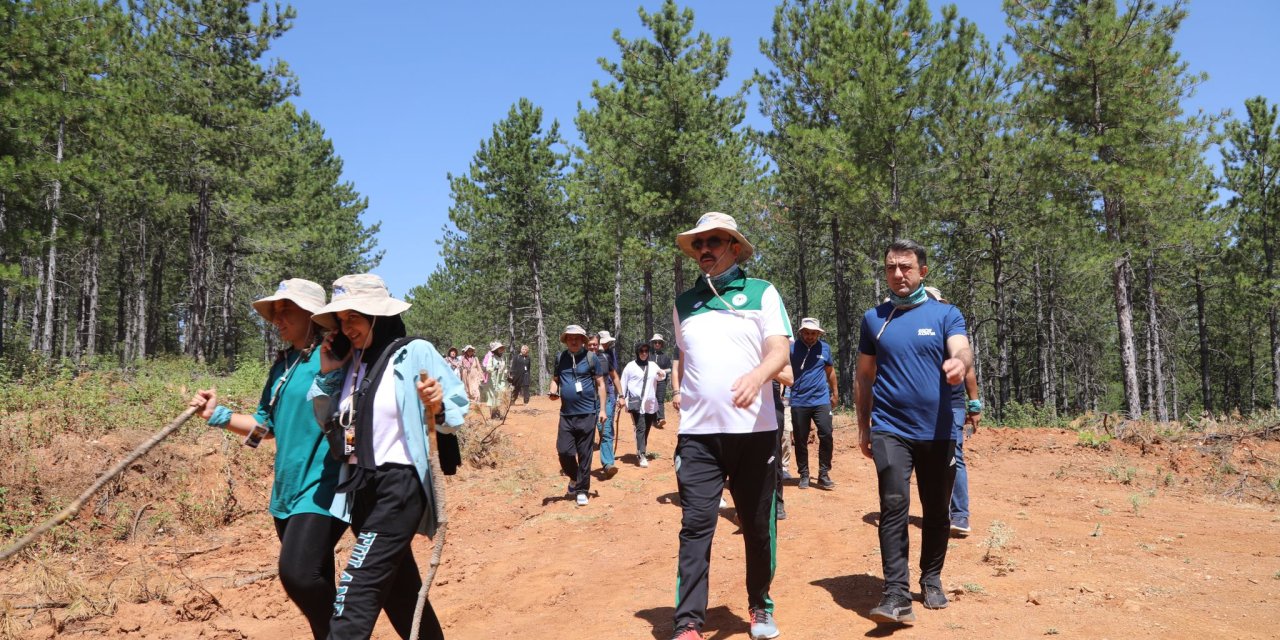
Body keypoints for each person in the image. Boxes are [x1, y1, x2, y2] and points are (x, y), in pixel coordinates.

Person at [310, 273, 469, 640]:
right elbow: (326, 422)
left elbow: (457, 409)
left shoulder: (414, 352)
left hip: (399, 486)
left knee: (356, 591)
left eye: (355, 317)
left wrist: (437, 403)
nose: (346, 328)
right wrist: (328, 374)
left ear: (377, 316)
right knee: (400, 594)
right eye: (341, 320)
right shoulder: (352, 364)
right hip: (359, 489)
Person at [189, 279, 344, 640]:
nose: (277, 318)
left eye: (285, 309)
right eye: (275, 312)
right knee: (317, 577)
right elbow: (265, 428)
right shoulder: (283, 365)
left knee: (298, 575)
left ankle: (347, 633)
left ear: (313, 314)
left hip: (323, 486)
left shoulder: (335, 353)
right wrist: (218, 415)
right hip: (286, 490)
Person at [668, 212, 791, 640]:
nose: (704, 250)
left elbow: (779, 352)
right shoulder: (684, 303)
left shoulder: (762, 293)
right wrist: (682, 395)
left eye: (713, 242)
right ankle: (687, 622)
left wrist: (757, 377)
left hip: (756, 434)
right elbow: (687, 357)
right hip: (699, 434)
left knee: (757, 526)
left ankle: (759, 607)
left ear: (734, 248)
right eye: (698, 244)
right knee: (696, 525)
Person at [856, 240, 973, 624]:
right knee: (893, 505)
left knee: (937, 510)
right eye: (891, 267)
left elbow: (962, 348)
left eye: (905, 267)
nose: (897, 274)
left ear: (923, 271)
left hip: (939, 430)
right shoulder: (874, 319)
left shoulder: (945, 314)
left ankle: (932, 577)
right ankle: (895, 593)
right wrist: (863, 425)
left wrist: (958, 363)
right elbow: (864, 374)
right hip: (890, 427)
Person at [923, 287, 983, 537]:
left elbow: (967, 369)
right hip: (923, 408)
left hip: (953, 404)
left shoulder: (949, 330)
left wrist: (974, 403)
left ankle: (960, 515)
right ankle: (940, 510)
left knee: (953, 455)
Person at [551, 324, 608, 506]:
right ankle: (575, 479)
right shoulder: (560, 358)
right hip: (566, 414)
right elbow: (555, 380)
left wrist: (603, 410)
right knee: (564, 452)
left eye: (577, 338)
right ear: (566, 340)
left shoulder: (591, 358)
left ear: (583, 341)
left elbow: (600, 384)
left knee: (585, 453)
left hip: (587, 413)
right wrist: (553, 390)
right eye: (570, 338)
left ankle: (582, 490)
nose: (573, 341)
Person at [789, 317, 839, 490]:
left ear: (818, 333)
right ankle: (803, 474)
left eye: (813, 333)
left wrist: (835, 393)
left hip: (821, 399)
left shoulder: (824, 348)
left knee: (826, 434)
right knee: (800, 439)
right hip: (799, 400)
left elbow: (830, 371)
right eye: (807, 333)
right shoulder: (792, 348)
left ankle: (823, 474)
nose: (810, 336)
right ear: (801, 332)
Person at [619, 340, 667, 467]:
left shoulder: (653, 365)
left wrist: (662, 374)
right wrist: (621, 397)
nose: (644, 353)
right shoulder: (630, 366)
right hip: (635, 402)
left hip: (650, 402)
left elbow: (660, 377)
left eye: (646, 351)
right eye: (641, 351)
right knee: (640, 427)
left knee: (646, 428)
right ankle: (642, 454)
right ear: (637, 352)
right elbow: (623, 382)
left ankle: (640, 448)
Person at [588, 331, 622, 479]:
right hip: (586, 401)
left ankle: (608, 464)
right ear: (585, 345)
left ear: (599, 344)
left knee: (605, 429)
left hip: (605, 399)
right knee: (587, 433)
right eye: (590, 345)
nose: (593, 347)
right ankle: (583, 465)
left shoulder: (605, 357)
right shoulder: (580, 359)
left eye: (595, 344)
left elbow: (614, 376)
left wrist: (621, 395)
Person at [650, 333, 674, 427]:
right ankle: (652, 419)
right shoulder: (648, 355)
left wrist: (662, 371)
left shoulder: (666, 357)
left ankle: (661, 418)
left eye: (659, 342)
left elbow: (671, 369)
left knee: (660, 399)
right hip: (650, 381)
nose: (657, 344)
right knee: (651, 398)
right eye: (655, 342)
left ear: (661, 344)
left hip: (662, 381)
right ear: (653, 343)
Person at [482, 341, 509, 418]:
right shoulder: (491, 357)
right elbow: (488, 368)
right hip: (492, 381)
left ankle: (498, 412)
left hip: (501, 380)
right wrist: (494, 368)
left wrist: (506, 373)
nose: (501, 350)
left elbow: (504, 368)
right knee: (493, 396)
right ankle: (493, 414)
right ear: (496, 349)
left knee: (500, 395)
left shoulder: (503, 358)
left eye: (502, 348)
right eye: (499, 348)